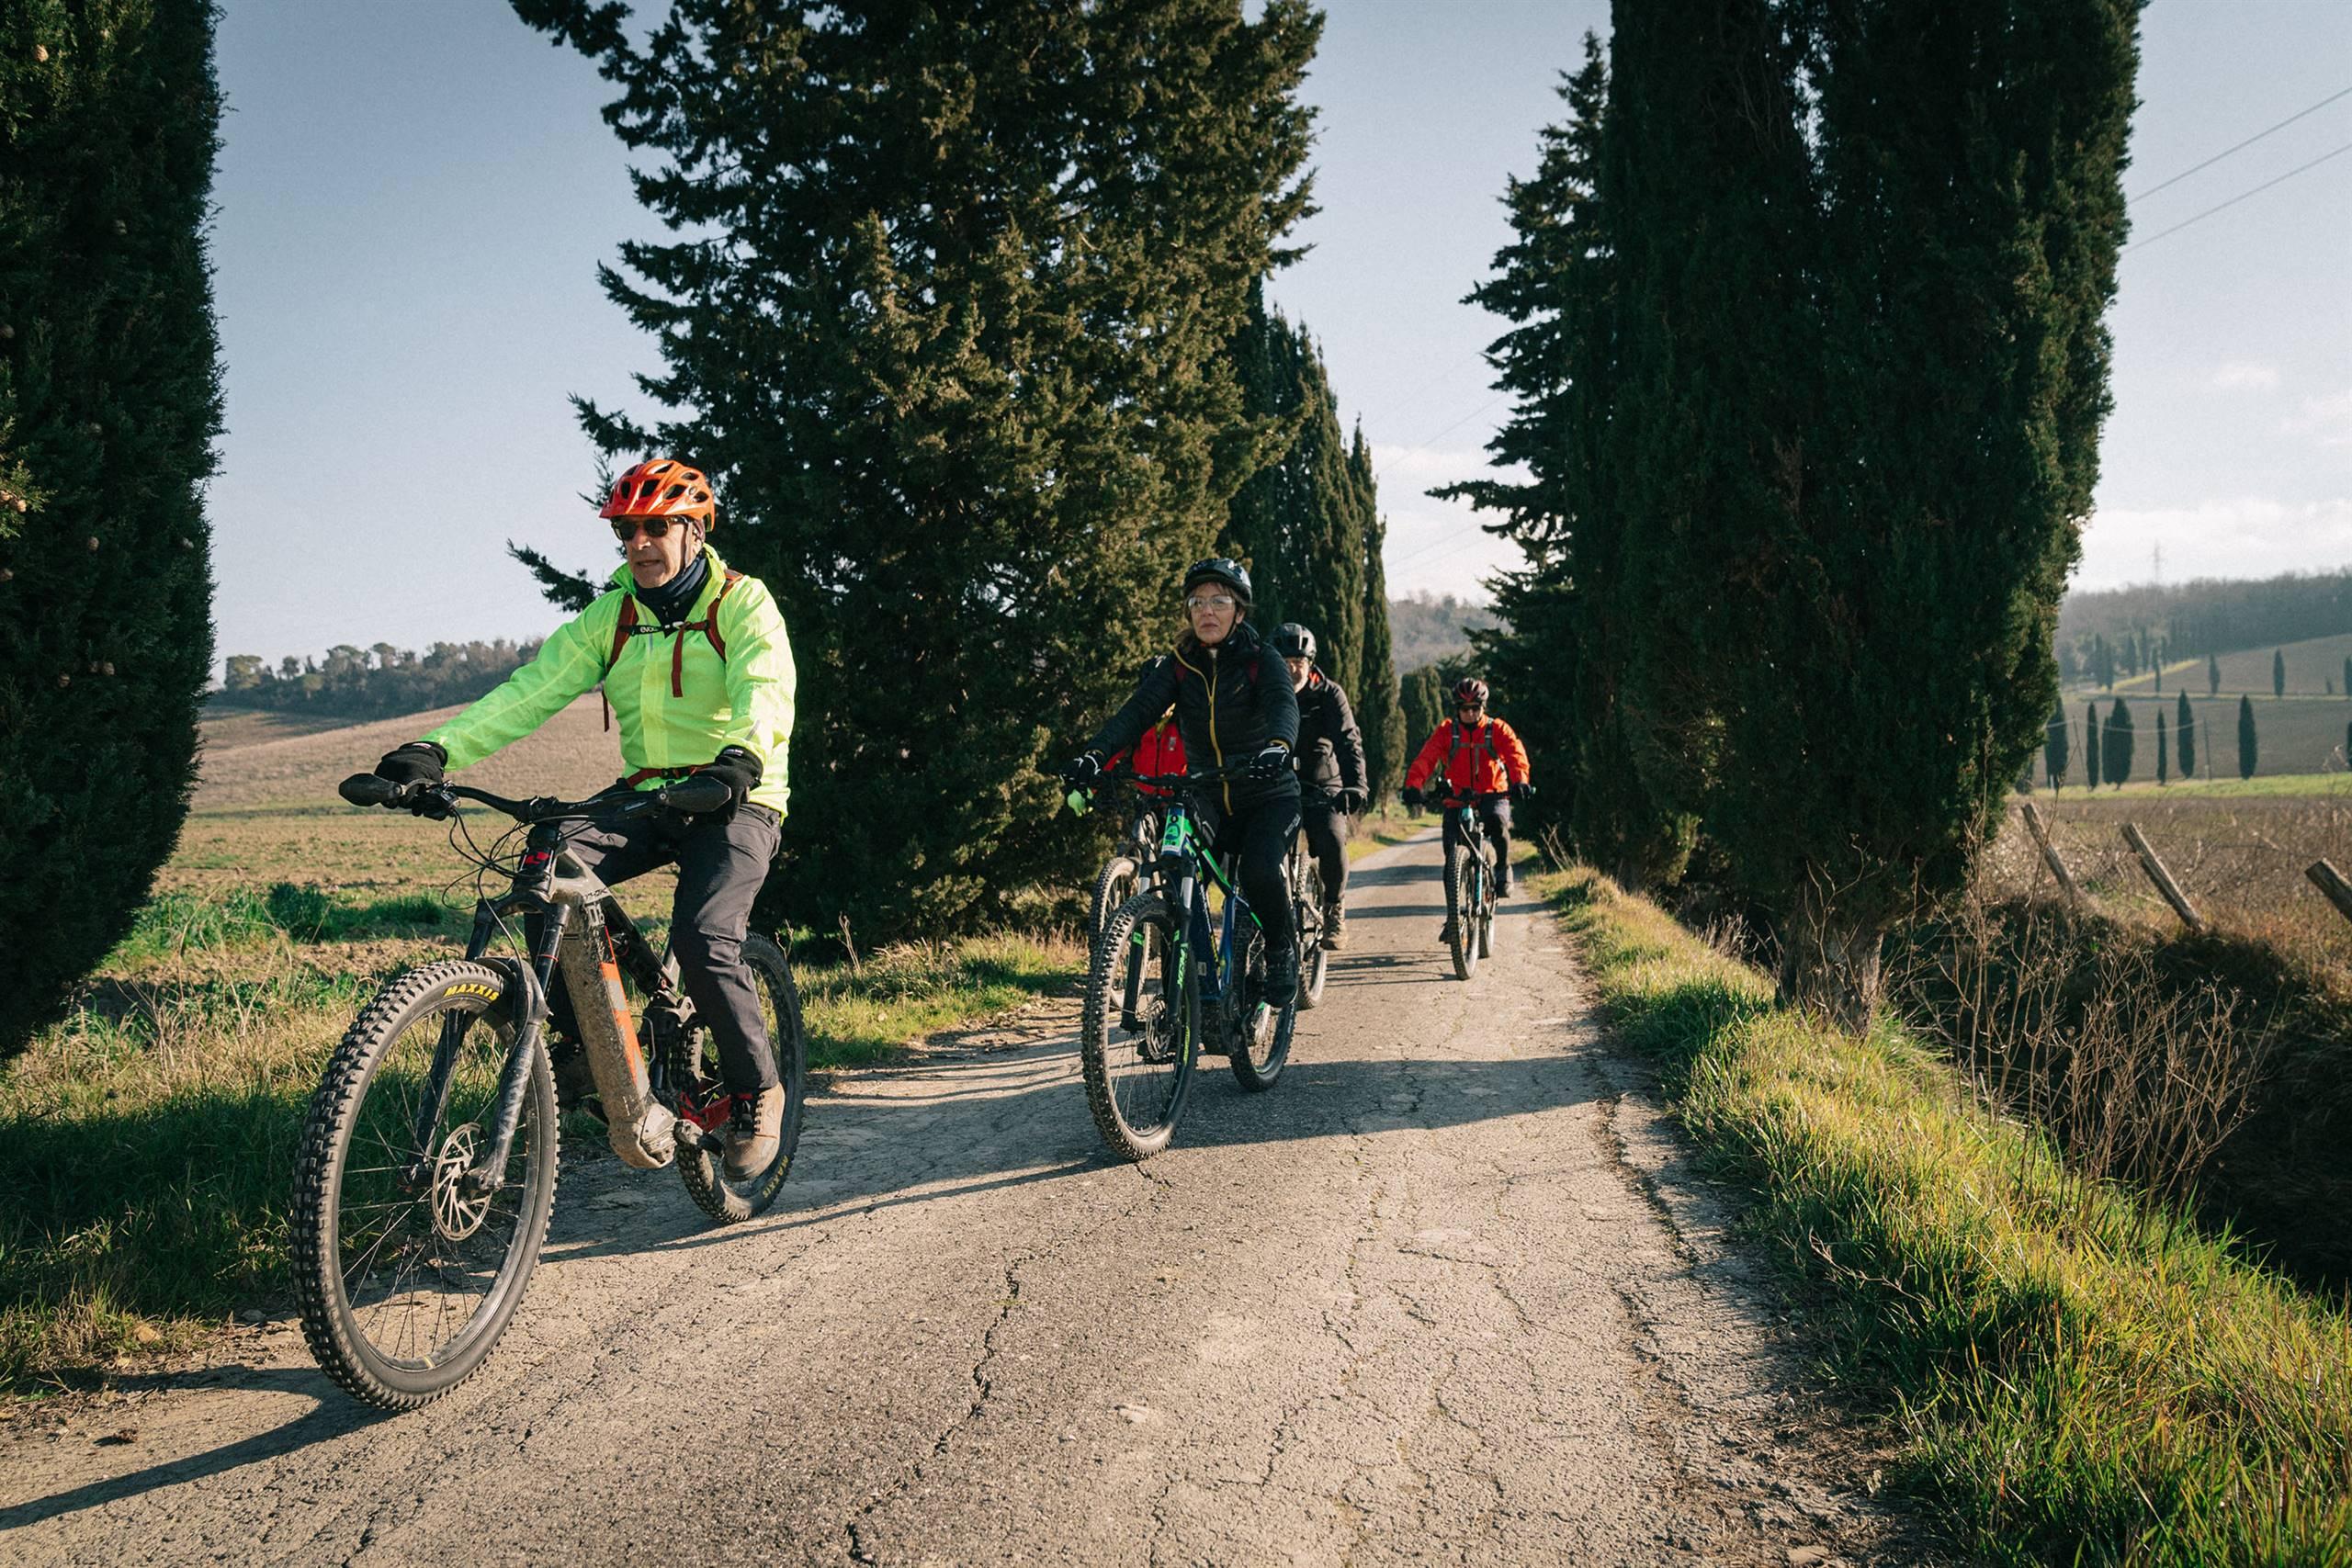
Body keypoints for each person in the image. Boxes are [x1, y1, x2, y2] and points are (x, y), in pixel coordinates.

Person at [367, 457, 796, 1179]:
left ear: (695, 530)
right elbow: (530, 691)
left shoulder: (741, 604)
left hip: (737, 794)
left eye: (656, 528)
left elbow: (766, 687)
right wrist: (437, 749)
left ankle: (759, 1089)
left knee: (702, 936)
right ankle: (583, 1047)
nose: (638, 544)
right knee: (547, 859)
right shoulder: (615, 616)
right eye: (626, 531)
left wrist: (739, 760)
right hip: (650, 794)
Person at [1062, 558, 1303, 998]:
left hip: (1268, 794)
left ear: (1239, 612)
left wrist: (1278, 746)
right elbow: (1136, 713)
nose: (1207, 612)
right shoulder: (1179, 665)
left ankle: (1280, 948)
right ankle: (1190, 995)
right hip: (1208, 793)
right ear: (1189, 612)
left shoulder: (1260, 660)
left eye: (1219, 601)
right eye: (1197, 603)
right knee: (1177, 878)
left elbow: (1284, 706)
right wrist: (1095, 756)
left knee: (1260, 870)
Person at [1401, 677, 1532, 941]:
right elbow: (1426, 758)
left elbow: (1515, 754)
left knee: (1496, 822)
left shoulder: (1497, 729)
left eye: (1475, 708)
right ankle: (1453, 918)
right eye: (1464, 708)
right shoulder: (1446, 732)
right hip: (1458, 797)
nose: (1470, 713)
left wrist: (1520, 782)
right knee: (1452, 859)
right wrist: (1413, 785)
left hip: (1493, 792)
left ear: (1483, 707)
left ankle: (1503, 868)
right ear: (1457, 709)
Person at [1270, 623, 1367, 950]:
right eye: (1284, 661)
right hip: (1277, 785)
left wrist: (1355, 785)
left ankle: (1333, 907)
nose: (1292, 668)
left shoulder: (1328, 693)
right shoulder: (1265, 692)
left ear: (1310, 662)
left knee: (1330, 837)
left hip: (1322, 783)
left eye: (1299, 661)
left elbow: (1349, 741)